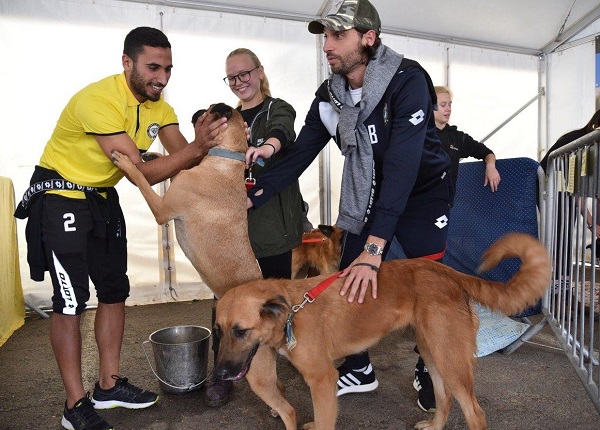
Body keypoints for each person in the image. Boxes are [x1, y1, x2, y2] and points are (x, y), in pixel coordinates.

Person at [14, 27, 226, 430]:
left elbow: (186, 157)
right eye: (152, 67)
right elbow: (142, 173)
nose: (161, 78)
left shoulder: (159, 105)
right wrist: (196, 150)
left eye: (167, 69)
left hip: (101, 198)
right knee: (71, 300)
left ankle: (108, 387)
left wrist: (225, 150)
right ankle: (74, 405)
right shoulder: (98, 100)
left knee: (114, 291)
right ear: (127, 62)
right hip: (61, 196)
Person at [245, 0, 451, 414]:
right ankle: (359, 368)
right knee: (350, 283)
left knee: (428, 290)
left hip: (422, 194)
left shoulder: (407, 79)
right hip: (370, 194)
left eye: (338, 36)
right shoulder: (330, 95)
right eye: (325, 36)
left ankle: (429, 365)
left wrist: (376, 248)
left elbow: (401, 165)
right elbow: (300, 153)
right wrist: (256, 194)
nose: (327, 46)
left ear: (368, 39)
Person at [202, 47, 305, 407]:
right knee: (226, 307)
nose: (239, 82)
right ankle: (221, 374)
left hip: (272, 225)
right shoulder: (226, 118)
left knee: (275, 305)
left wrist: (265, 149)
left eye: (245, 74)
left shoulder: (278, 108)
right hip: (232, 231)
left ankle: (283, 369)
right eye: (232, 77)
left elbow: (282, 134)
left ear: (259, 72)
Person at [540, 109, 600, 284]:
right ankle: (558, 286)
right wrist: (592, 224)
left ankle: (563, 284)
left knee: (564, 236)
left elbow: (589, 186)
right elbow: (576, 191)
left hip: (563, 189)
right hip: (551, 188)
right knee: (560, 236)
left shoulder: (589, 145)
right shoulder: (579, 145)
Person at [434, 85, 500, 205]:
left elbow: (486, 152)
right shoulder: (419, 135)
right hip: (418, 203)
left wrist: (491, 166)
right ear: (430, 106)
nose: (448, 109)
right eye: (443, 105)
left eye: (450, 104)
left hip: (444, 203)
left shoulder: (458, 137)